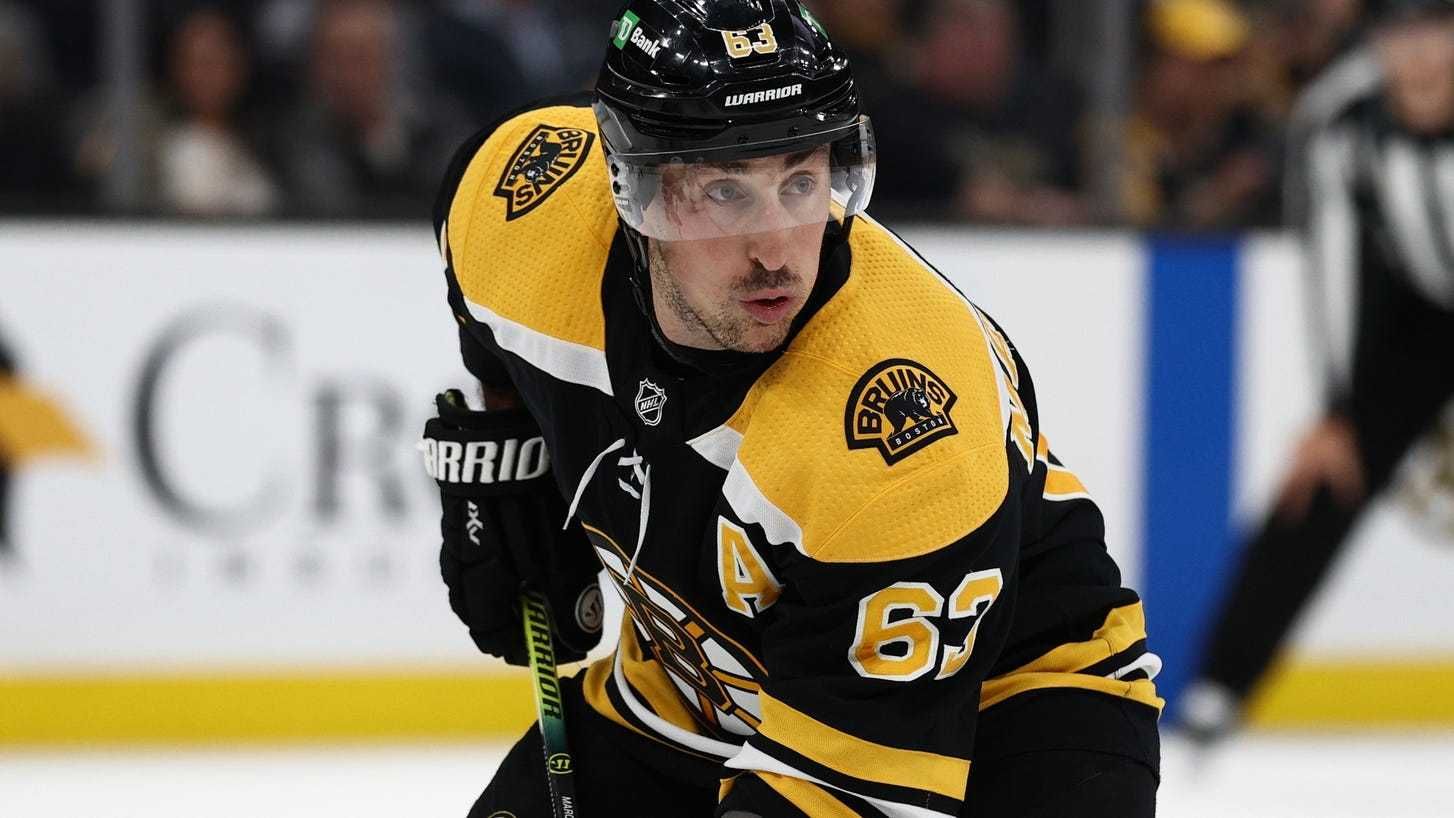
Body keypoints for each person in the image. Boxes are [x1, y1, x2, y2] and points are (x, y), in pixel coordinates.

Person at [424, 2, 1162, 815]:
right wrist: (508, 430)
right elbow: (484, 314)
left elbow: (853, 788)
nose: (776, 250)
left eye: (800, 182)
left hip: (1005, 708)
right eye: (725, 191)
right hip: (696, 688)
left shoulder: (900, 422)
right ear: (632, 185)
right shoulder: (523, 202)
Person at [1183, 0, 1454, 742]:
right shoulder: (1340, 118)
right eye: (1402, 38)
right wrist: (1339, 407)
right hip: (1414, 312)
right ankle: (1223, 682)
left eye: (1440, 35)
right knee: (1324, 475)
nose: (1422, 59)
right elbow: (1334, 258)